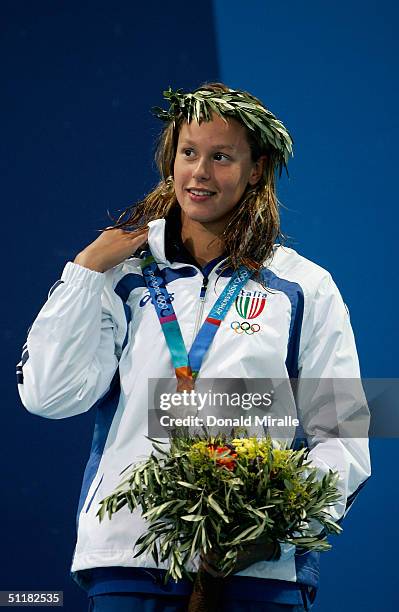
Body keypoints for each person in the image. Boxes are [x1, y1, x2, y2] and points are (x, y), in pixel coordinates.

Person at [17, 82, 371, 611]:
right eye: (189, 153)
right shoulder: (121, 279)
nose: (200, 172)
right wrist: (85, 272)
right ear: (171, 160)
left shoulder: (305, 287)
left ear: (256, 170)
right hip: (130, 560)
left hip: (259, 569)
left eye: (221, 157)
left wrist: (273, 525)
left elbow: (341, 435)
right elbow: (48, 396)